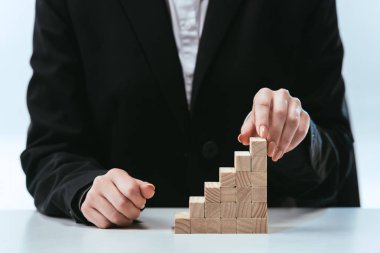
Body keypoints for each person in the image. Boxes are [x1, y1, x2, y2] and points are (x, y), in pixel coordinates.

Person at [21, 0, 360, 229]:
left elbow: (336, 158)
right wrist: (85, 190)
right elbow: (49, 150)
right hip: (129, 242)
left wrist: (297, 136)